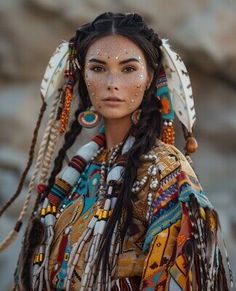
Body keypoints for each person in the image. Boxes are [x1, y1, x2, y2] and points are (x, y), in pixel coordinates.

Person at [0, 12, 233, 291]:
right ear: (81, 75)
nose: (112, 82)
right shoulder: (75, 174)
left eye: (128, 68)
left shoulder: (165, 172)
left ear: (149, 78)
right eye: (98, 68)